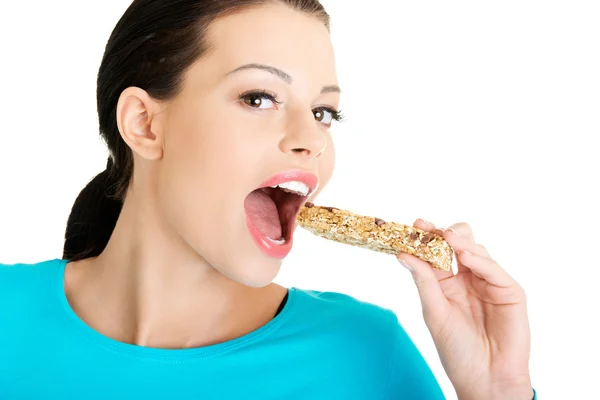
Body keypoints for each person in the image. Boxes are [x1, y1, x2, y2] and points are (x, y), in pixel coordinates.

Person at [0, 1, 536, 398]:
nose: (314, 137)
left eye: (324, 112)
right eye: (259, 97)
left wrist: (500, 389)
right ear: (144, 124)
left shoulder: (367, 355)